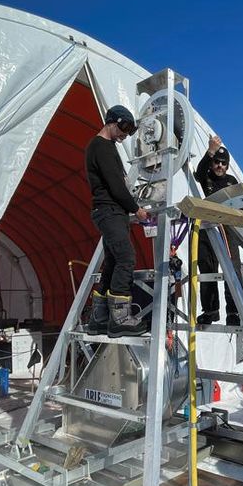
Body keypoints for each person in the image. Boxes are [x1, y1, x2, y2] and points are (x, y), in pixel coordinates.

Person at [84, 105, 149, 337]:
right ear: (111, 121)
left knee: (112, 262)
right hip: (110, 211)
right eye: (123, 128)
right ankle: (120, 319)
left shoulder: (105, 147)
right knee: (126, 257)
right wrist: (137, 209)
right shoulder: (101, 147)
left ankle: (98, 319)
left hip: (112, 212)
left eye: (130, 131)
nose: (125, 134)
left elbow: (116, 181)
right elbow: (115, 185)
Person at [193, 134, 240, 325]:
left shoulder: (232, 182)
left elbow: (242, 203)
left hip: (227, 228)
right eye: (217, 162)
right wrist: (210, 150)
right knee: (206, 268)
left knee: (233, 269)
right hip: (207, 226)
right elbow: (199, 171)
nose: (220, 166)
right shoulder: (206, 177)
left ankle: (234, 313)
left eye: (223, 163)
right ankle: (211, 310)